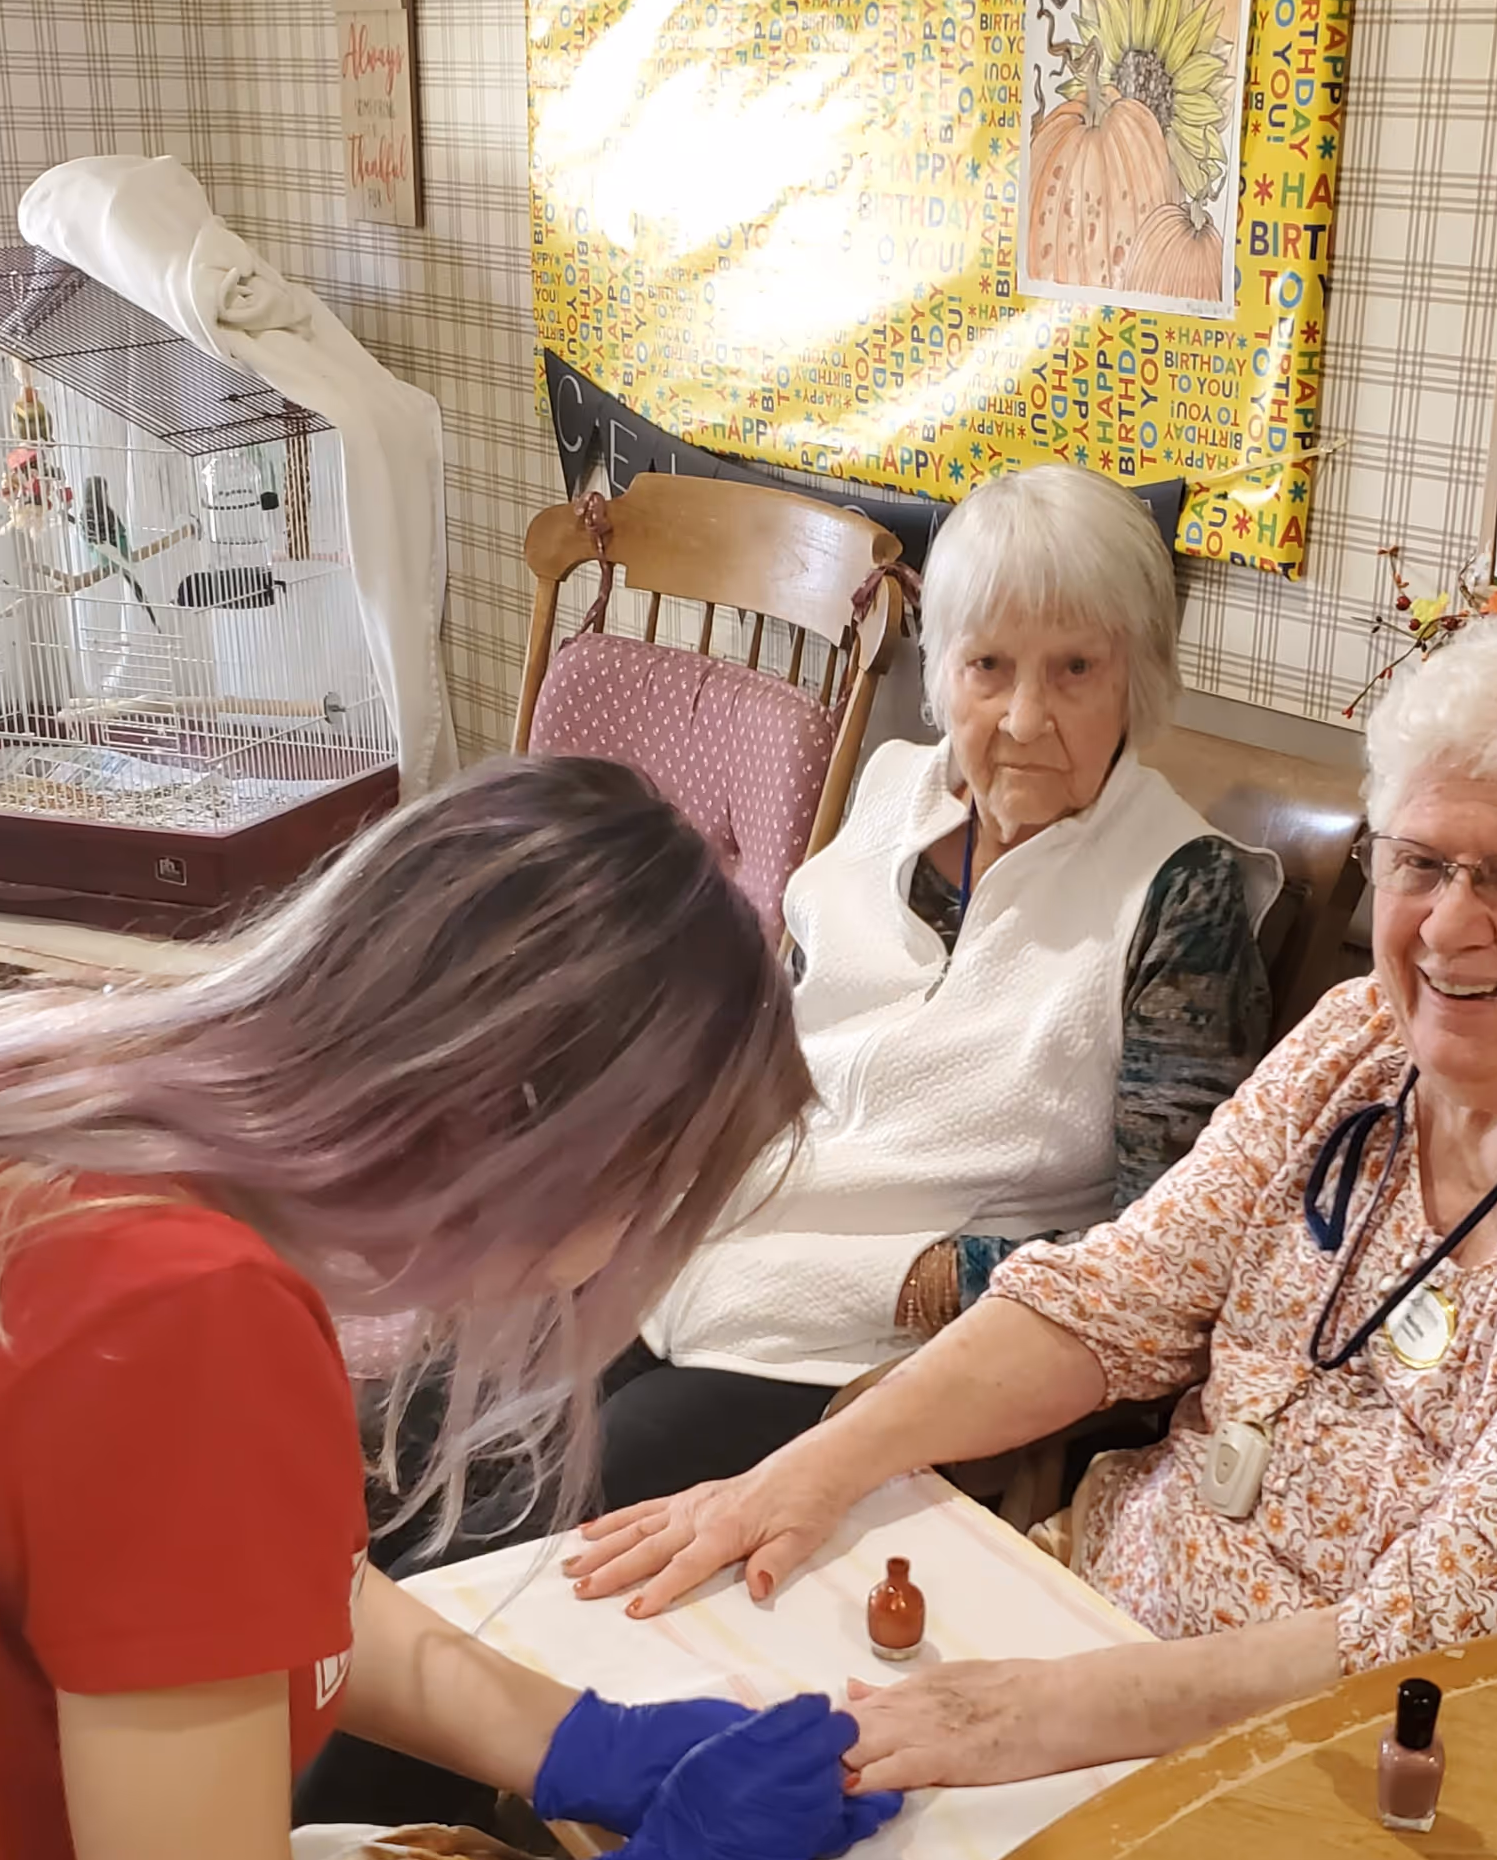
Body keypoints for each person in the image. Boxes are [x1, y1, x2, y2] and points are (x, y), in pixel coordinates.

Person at [0, 759, 900, 1860]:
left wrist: (567, 1738)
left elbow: (208, 1589)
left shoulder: (70, 1085)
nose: (613, 1262)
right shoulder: (187, 1323)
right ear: (529, 1125)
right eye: (652, 1196)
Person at [565, 608, 1497, 1789]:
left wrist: (1018, 1721)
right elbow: (1112, 1297)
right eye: (1417, 864)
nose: (1449, 929)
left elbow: (1441, 1646)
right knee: (655, 1715)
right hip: (1106, 1631)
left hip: (1370, 1779)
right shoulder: (1368, 1043)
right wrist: (804, 1475)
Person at [374, 465, 1275, 1562]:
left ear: (1138, 676)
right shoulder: (899, 786)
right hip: (706, 1223)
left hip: (868, 1330)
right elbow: (787, 1019)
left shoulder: (1181, 893)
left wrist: (942, 1277)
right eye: (990, 666)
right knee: (423, 1415)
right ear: (944, 672)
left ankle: (418, 1713)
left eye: (1075, 669)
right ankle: (294, 1678)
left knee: (558, 1507)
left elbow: (1164, 1252)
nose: (1026, 717)